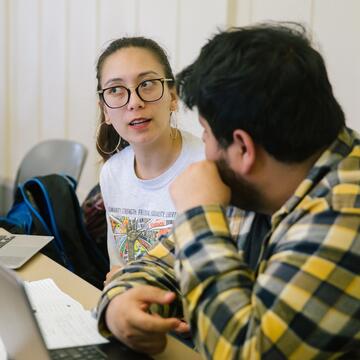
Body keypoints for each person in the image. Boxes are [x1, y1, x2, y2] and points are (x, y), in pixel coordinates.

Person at [96, 23, 360, 358]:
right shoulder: (264, 179)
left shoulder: (344, 214)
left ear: (243, 149)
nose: (204, 149)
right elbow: (156, 265)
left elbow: (242, 351)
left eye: (205, 134)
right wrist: (118, 307)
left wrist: (198, 215)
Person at [95, 37, 204, 283]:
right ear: (105, 110)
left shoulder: (208, 164)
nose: (135, 102)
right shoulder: (112, 173)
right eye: (115, 90)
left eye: (147, 84)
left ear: (173, 96)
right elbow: (119, 269)